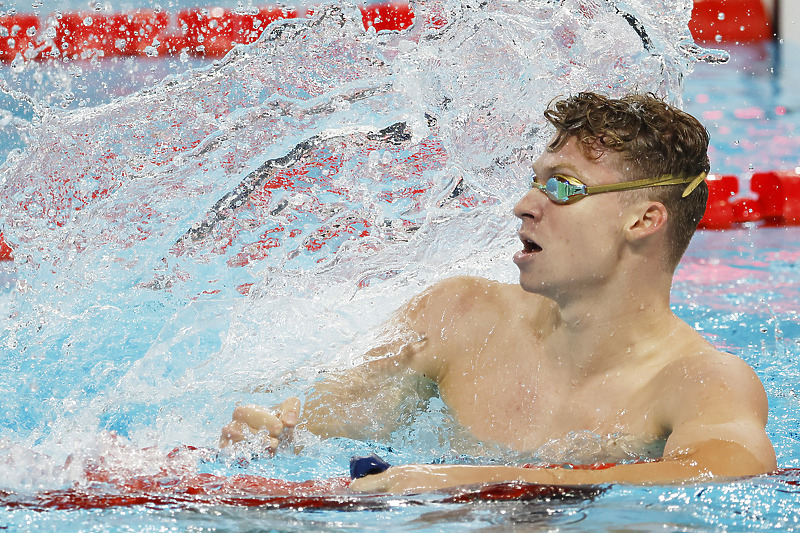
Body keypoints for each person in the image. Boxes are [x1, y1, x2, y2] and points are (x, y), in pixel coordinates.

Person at [220, 92, 777, 493]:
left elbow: (731, 468)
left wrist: (469, 481)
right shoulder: (459, 315)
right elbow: (334, 420)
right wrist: (277, 435)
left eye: (561, 185)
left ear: (643, 219)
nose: (525, 204)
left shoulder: (698, 379)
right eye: (535, 180)